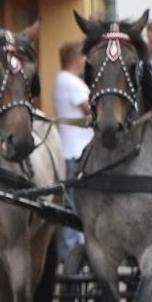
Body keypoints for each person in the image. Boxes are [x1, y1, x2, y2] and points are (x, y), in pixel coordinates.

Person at [52, 40, 92, 254]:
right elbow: (91, 109)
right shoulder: (70, 81)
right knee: (73, 205)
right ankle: (69, 254)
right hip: (76, 152)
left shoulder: (63, 79)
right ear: (78, 59)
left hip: (74, 150)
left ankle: (73, 252)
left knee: (74, 204)